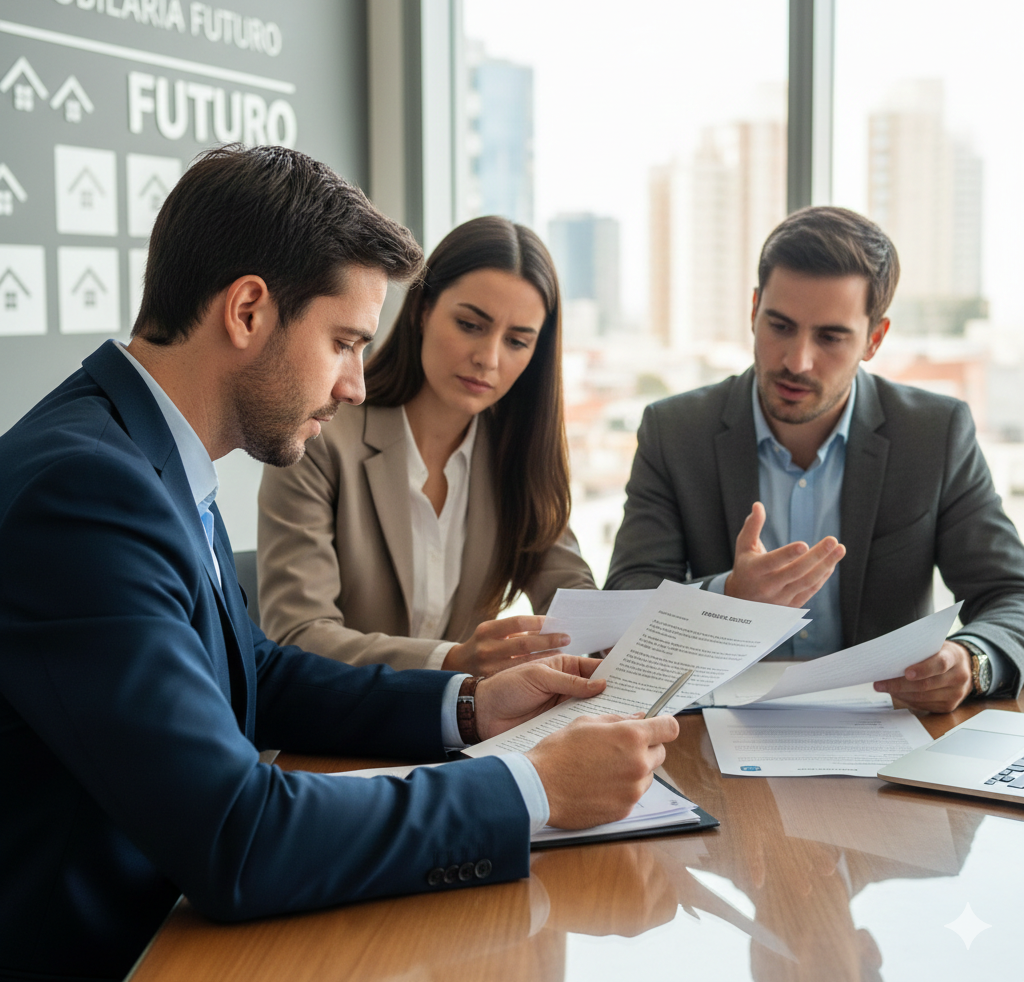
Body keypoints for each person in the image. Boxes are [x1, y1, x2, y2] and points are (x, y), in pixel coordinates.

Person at [0, 146, 678, 982]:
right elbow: (237, 837)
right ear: (248, 310)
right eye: (346, 341)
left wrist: (470, 708)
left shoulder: (147, 454)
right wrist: (531, 787)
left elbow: (254, 671)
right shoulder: (87, 490)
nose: (357, 383)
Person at [607, 206, 1024, 713]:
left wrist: (972, 658)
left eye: (830, 337)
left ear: (874, 339)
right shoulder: (674, 431)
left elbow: (1011, 595)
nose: (796, 361)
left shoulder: (935, 434)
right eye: (779, 325)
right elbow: (625, 599)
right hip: (712, 724)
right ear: (754, 310)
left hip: (882, 727)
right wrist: (727, 597)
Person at [257, 216, 594, 675]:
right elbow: (297, 635)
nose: (488, 358)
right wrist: (452, 661)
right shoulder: (319, 437)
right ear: (422, 310)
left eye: (517, 341)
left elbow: (575, 603)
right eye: (471, 324)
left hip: (467, 736)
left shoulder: (517, 452)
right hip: (340, 733)